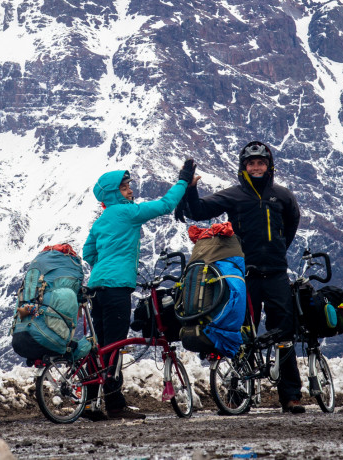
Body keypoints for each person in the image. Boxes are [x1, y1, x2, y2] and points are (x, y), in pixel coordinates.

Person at [177, 141, 306, 413]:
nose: (256, 167)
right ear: (243, 167)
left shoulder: (283, 196)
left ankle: (291, 395)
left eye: (261, 163)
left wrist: (277, 249)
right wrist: (190, 188)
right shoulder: (234, 195)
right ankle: (238, 394)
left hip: (275, 275)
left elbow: (291, 225)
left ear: (269, 166)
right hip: (244, 275)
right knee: (242, 333)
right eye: (251, 164)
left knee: (284, 333)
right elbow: (198, 210)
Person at [81, 169, 189, 420]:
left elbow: (88, 253)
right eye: (124, 187)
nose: (130, 191)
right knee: (114, 347)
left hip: (97, 287)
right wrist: (184, 181)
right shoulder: (127, 213)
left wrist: (107, 262)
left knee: (101, 346)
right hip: (117, 287)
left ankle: (88, 403)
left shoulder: (101, 220)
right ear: (112, 193)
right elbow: (165, 205)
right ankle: (115, 405)